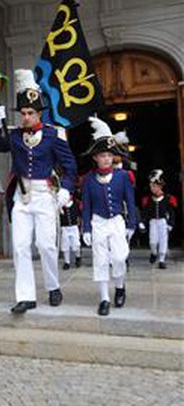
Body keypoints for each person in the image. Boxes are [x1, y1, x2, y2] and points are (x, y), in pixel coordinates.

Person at [0, 69, 77, 314]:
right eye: (23, 113)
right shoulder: (15, 135)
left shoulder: (53, 134)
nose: (25, 117)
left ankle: (53, 286)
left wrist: (66, 192)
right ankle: (26, 296)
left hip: (44, 196)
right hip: (21, 196)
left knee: (47, 245)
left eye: (30, 113)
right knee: (20, 246)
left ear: (39, 113)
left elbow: (70, 167)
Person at [81, 117, 136, 316]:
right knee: (101, 260)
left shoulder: (123, 177)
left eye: (109, 155)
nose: (106, 158)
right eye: (102, 155)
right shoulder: (88, 180)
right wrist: (86, 228)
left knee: (120, 257)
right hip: (98, 222)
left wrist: (132, 223)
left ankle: (120, 286)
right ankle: (104, 298)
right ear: (95, 157)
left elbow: (130, 201)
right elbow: (86, 206)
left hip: (117, 222)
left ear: (113, 157)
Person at [139, 169, 177, 269]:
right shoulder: (148, 199)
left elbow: (172, 213)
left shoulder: (167, 199)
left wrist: (171, 224)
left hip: (163, 222)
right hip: (153, 222)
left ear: (160, 186)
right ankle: (153, 253)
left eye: (154, 186)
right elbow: (145, 213)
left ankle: (162, 260)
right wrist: (142, 222)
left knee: (163, 241)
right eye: (151, 186)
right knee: (153, 241)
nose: (152, 188)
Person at [60, 194, 82, 270]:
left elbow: (79, 215)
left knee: (76, 244)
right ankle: (67, 262)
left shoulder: (75, 204)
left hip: (74, 227)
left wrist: (79, 223)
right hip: (65, 227)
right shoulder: (60, 205)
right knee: (65, 245)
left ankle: (78, 257)